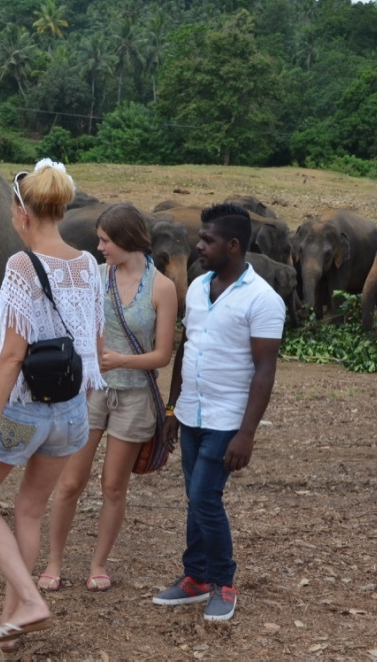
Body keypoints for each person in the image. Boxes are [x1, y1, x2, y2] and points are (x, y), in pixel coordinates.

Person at [0, 158, 105, 651]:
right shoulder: (89, 265)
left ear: (23, 214)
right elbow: (93, 348)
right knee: (28, 510)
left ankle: (30, 598)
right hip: (72, 415)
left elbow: (12, 356)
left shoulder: (22, 266)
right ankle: (11, 626)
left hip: (23, 412)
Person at [152, 203, 285, 622]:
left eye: (207, 239)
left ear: (232, 245)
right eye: (200, 237)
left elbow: (265, 372)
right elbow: (187, 348)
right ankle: (194, 578)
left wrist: (247, 434)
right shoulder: (195, 287)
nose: (198, 245)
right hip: (191, 413)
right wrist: (173, 408)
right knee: (196, 498)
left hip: (228, 421)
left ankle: (223, 583)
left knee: (206, 499)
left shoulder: (264, 299)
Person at [38, 203, 178, 592]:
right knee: (69, 483)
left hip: (134, 399)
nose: (99, 247)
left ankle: (98, 564)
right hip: (93, 392)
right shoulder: (95, 277)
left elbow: (163, 355)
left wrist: (120, 361)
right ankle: (53, 562)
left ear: (126, 240)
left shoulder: (162, 288)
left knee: (113, 486)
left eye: (105, 240)